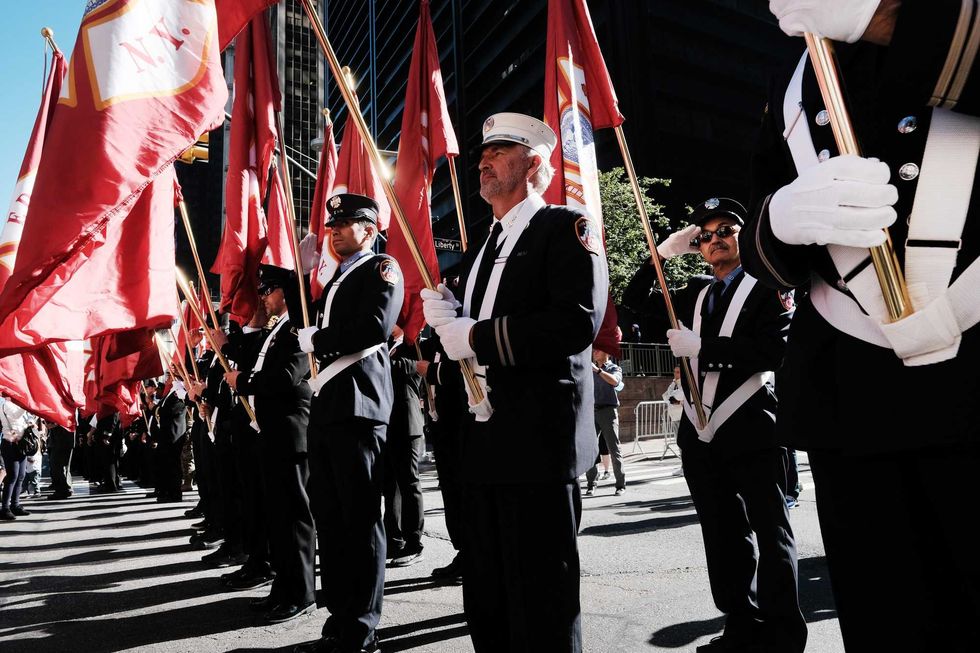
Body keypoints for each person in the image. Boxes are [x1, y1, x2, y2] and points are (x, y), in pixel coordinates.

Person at [742, 2, 980, 650]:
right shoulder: (794, 69)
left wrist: (893, 21)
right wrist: (780, 223)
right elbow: (762, 223)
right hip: (853, 397)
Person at [421, 112, 608, 652]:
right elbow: (473, 328)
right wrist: (450, 315)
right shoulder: (483, 246)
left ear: (534, 165)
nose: (483, 160)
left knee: (541, 599)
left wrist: (475, 335)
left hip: (537, 442)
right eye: (484, 152)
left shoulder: (564, 227)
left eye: (499, 151)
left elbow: (575, 322)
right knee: (489, 594)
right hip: (482, 442)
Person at [654, 197, 805, 652]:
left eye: (725, 230)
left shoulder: (767, 287)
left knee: (770, 530)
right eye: (704, 235)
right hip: (700, 434)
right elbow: (633, 299)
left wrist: (705, 346)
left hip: (751, 423)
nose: (714, 240)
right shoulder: (695, 292)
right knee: (721, 534)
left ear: (742, 236)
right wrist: (662, 254)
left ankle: (782, 634)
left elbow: (775, 351)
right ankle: (741, 623)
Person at [291, 193, 404, 653]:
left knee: (359, 521)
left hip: (359, 405)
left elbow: (373, 328)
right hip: (330, 406)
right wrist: (297, 274)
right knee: (332, 519)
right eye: (332, 223)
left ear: (370, 228)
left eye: (346, 223)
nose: (334, 229)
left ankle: (362, 629)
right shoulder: (336, 278)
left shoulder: (381, 269)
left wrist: (319, 337)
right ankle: (339, 618)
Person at [224, 264, 316, 624]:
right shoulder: (274, 331)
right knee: (277, 516)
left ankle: (302, 592)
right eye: (262, 291)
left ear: (286, 292)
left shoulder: (297, 329)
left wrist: (243, 381)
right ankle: (284, 587)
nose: (263, 296)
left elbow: (285, 378)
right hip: (271, 431)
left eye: (270, 290)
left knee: (294, 516)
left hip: (291, 432)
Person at [383, 324, 426, 568]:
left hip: (406, 423)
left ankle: (414, 541)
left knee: (409, 483)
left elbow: (417, 368)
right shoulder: (386, 347)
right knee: (390, 485)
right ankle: (394, 538)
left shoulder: (412, 346)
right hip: (386, 423)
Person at [585, 349, 626, 496]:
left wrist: (597, 371)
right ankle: (591, 483)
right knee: (589, 449)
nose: (594, 352)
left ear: (606, 353)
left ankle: (620, 485)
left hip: (608, 411)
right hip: (591, 412)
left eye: (598, 350)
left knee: (614, 449)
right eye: (594, 350)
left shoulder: (614, 368)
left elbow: (615, 381)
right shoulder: (588, 368)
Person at [1, 398, 33, 520]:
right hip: (9, 443)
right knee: (12, 476)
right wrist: (26, 405)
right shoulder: (5, 405)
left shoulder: (17, 405)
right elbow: (15, 415)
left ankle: (15, 505)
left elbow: (24, 420)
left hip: (20, 444)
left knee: (21, 476)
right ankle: (4, 508)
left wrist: (31, 420)